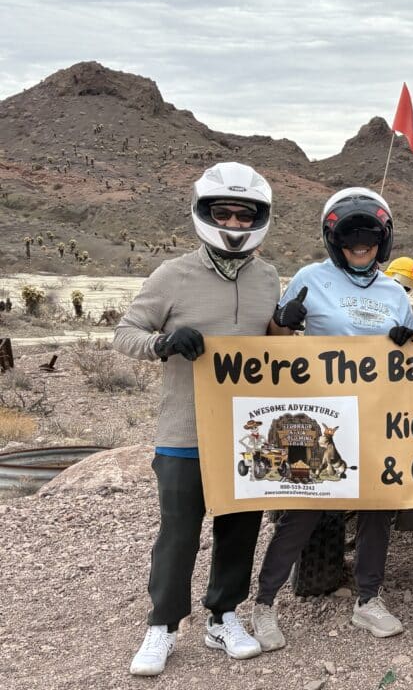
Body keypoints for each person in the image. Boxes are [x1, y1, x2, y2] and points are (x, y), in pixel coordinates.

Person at [114, 162, 279, 676]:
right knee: (179, 531)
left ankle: (223, 616)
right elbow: (124, 333)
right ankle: (162, 626)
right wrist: (162, 343)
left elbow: (275, 351)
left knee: (240, 528)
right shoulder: (172, 275)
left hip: (249, 431)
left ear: (259, 218)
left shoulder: (270, 277)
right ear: (204, 213)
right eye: (223, 212)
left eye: (243, 213)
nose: (232, 222)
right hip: (185, 431)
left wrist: (285, 331)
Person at [251, 187, 413, 650]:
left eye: (369, 238)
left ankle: (368, 600)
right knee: (303, 509)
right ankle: (263, 605)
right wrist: (284, 320)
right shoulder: (310, 277)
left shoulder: (393, 292)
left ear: (381, 242)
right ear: (334, 239)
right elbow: (276, 342)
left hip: (379, 414)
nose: (360, 246)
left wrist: (408, 338)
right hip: (317, 413)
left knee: (377, 509)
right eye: (351, 238)